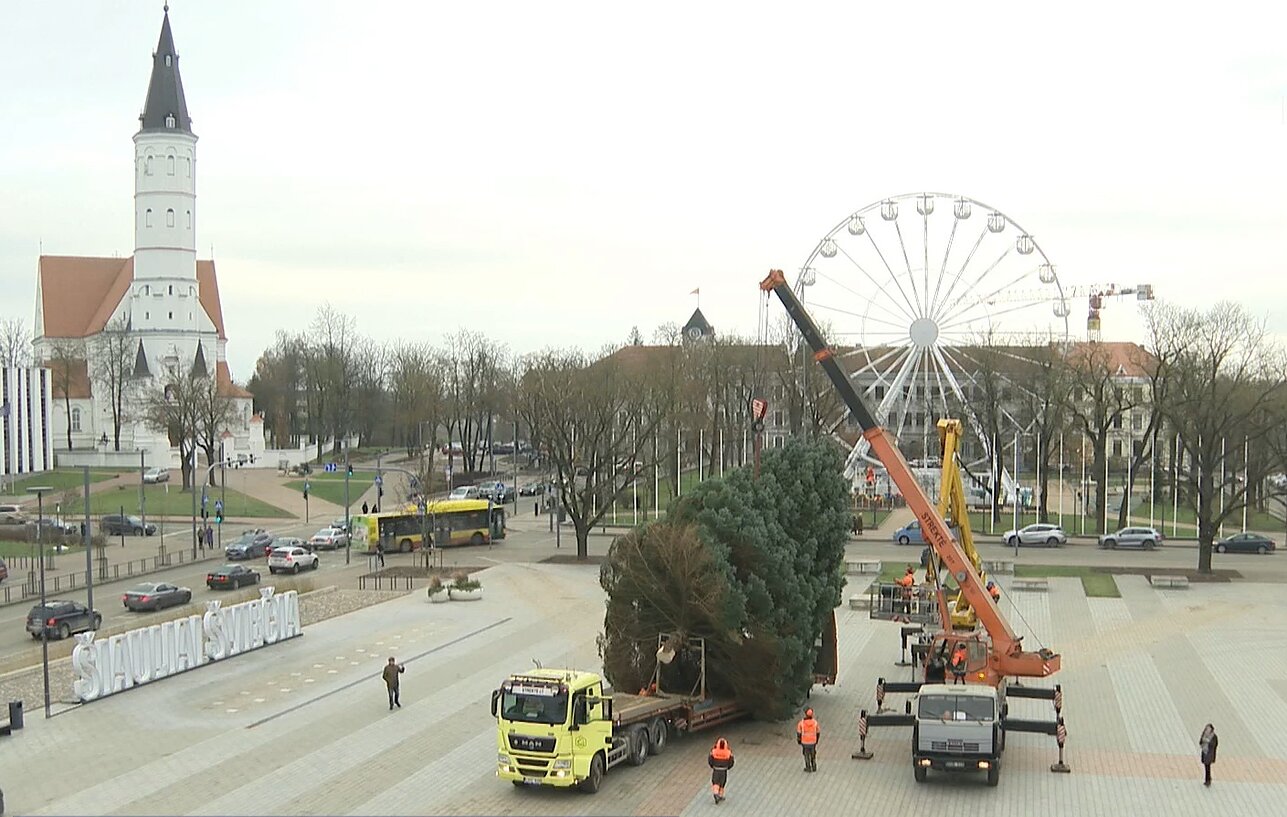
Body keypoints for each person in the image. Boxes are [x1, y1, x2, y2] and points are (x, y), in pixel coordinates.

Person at [708, 737, 734, 804]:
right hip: (724, 770)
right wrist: (728, 767)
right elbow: (731, 762)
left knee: (715, 782)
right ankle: (720, 795)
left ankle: (716, 794)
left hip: (716, 769)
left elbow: (710, 760)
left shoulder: (713, 751)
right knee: (722, 783)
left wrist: (712, 766)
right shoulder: (728, 752)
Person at [796, 707, 820, 772]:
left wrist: (799, 741)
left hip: (805, 742)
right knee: (813, 754)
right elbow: (818, 732)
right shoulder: (815, 723)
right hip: (813, 742)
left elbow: (799, 733)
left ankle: (808, 767)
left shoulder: (801, 723)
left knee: (806, 755)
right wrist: (817, 740)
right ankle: (814, 766)